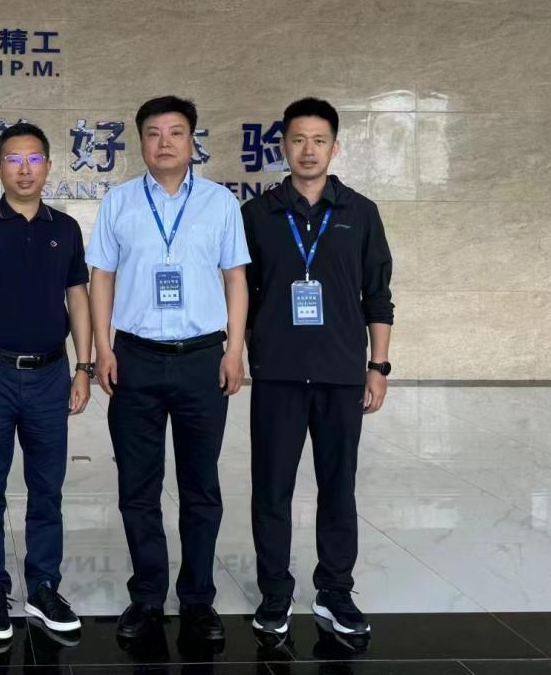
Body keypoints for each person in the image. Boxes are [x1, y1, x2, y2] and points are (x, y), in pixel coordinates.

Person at [86, 95, 250, 642]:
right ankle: (148, 596)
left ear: (192, 140)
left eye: (176, 132)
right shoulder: (119, 201)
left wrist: (234, 350)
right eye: (153, 133)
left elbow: (235, 278)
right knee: (138, 486)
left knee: (201, 486)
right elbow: (101, 277)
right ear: (140, 141)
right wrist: (103, 348)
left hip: (204, 359)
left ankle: (198, 599)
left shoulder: (220, 203)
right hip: (134, 357)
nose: (164, 142)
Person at [242, 97, 394, 641]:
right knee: (272, 490)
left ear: (334, 146)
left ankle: (335, 591)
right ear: (283, 146)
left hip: (341, 373)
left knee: (338, 487)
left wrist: (378, 366)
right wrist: (243, 352)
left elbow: (378, 295)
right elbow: (240, 294)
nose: (308, 150)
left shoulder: (360, 212)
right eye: (298, 140)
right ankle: (274, 594)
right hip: (277, 374)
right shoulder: (257, 214)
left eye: (319, 140)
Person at [0, 122, 93, 642]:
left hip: (51, 374)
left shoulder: (66, 228)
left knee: (47, 487)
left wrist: (83, 367)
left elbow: (78, 300)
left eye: (34, 159)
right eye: (13, 159)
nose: (24, 169)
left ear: (49, 166)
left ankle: (44, 585)